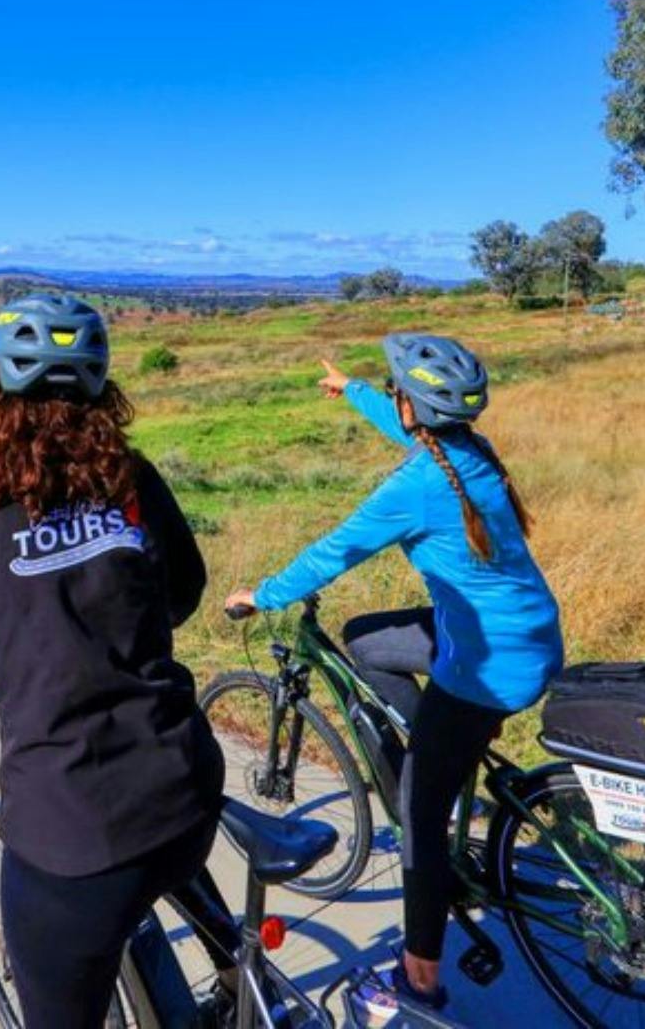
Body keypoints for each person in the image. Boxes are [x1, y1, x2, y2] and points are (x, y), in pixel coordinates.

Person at [0, 293, 234, 1029]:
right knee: (165, 862)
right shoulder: (130, 478)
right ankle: (238, 981)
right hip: (185, 782)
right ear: (103, 391)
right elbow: (187, 589)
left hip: (72, 834)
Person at [224, 333, 562, 1012]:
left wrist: (261, 594)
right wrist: (352, 391)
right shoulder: (467, 450)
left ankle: (419, 980)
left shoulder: (417, 486)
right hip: (532, 639)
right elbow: (412, 432)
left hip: (485, 668)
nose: (396, 403)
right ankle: (424, 752)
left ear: (415, 405)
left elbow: (336, 549)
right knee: (366, 641)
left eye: (395, 392)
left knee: (420, 815)